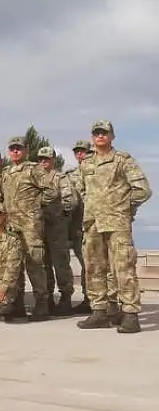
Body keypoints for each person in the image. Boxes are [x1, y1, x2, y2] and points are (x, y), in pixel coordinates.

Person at [75, 120, 152, 333]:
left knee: (123, 268)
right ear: (92, 137)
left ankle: (130, 314)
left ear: (112, 136)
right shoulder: (86, 163)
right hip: (92, 224)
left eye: (104, 133)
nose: (100, 136)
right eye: (96, 133)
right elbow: (82, 191)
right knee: (94, 268)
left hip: (117, 223)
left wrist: (122, 207)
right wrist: (92, 207)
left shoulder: (122, 160)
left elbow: (143, 190)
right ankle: (100, 311)